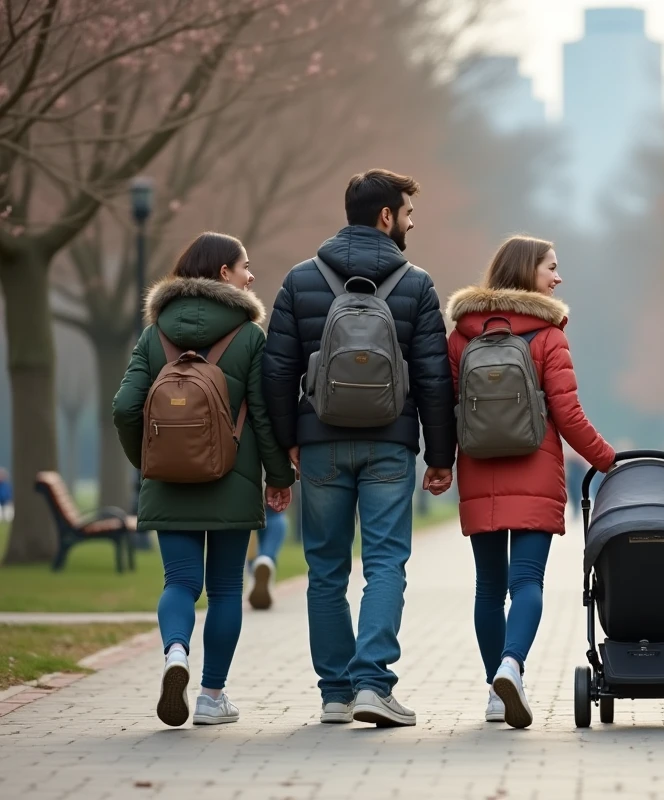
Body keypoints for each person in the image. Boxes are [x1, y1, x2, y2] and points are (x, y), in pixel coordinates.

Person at [262, 169, 456, 728]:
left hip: (319, 444)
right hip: (390, 445)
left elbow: (277, 373)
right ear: (386, 217)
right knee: (386, 562)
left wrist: (286, 450)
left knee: (325, 569)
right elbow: (432, 378)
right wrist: (440, 455)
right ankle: (374, 682)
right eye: (408, 215)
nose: (412, 225)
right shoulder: (416, 285)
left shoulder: (300, 280)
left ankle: (335, 693)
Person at [112, 232, 295, 727]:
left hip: (169, 479)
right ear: (222, 274)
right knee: (226, 591)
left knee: (179, 582)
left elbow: (125, 406)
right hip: (231, 480)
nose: (251, 276)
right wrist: (278, 476)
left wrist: (148, 461)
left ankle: (175, 654)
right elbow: (262, 412)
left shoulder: (155, 335)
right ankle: (212, 697)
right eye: (244, 267)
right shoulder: (250, 337)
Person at [446, 236, 614, 729]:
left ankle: (495, 694)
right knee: (527, 582)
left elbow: (446, 404)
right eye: (551, 268)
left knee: (487, 588)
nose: (558, 278)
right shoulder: (548, 336)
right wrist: (610, 461)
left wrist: (439, 462)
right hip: (534, 468)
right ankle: (511, 666)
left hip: (477, 468)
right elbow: (568, 414)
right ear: (527, 273)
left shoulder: (461, 335)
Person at [247, 505, 286, 610]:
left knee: (248, 525)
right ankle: (266, 558)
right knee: (275, 514)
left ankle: (253, 572)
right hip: (270, 504)